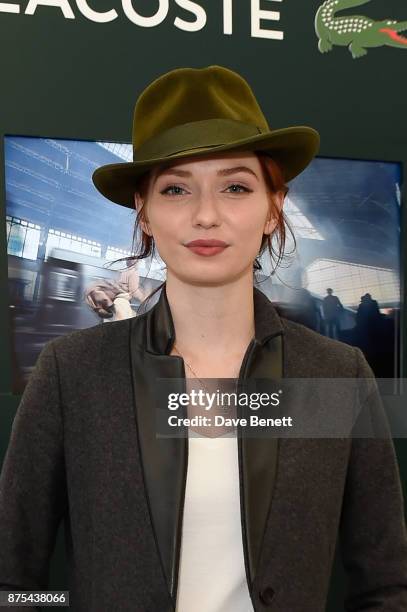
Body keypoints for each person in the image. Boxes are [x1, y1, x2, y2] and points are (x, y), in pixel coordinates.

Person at [1, 65, 406, 612]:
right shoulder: (73, 373)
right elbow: (16, 583)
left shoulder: (332, 375)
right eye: (175, 189)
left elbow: (387, 585)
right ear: (143, 212)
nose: (206, 215)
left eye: (236, 186)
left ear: (273, 207)